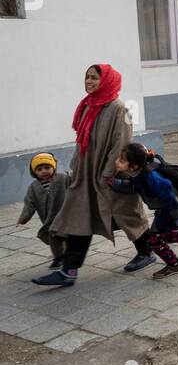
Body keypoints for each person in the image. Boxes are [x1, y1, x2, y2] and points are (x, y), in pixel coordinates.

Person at [32, 63, 153, 288]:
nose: (88, 81)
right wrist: (76, 167)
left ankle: (147, 251)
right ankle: (69, 271)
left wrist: (108, 174)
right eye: (87, 77)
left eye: (94, 78)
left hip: (110, 174)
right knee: (80, 216)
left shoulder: (121, 109)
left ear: (106, 80)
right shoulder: (87, 105)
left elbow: (122, 144)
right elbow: (82, 140)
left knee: (127, 215)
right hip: (86, 175)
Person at [108, 142, 178, 278]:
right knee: (162, 236)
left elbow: (167, 190)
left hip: (170, 212)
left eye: (121, 160)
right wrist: (116, 184)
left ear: (133, 166)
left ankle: (174, 265)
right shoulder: (139, 174)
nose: (117, 162)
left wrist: (177, 216)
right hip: (164, 211)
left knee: (154, 240)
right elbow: (134, 186)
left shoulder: (151, 177)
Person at [17, 152, 70, 269]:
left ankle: (69, 255)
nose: (44, 171)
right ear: (34, 172)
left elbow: (75, 186)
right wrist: (23, 218)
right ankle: (59, 257)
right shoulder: (33, 187)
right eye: (39, 169)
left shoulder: (63, 179)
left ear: (53, 167)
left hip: (65, 216)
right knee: (54, 238)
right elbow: (29, 204)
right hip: (49, 219)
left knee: (68, 236)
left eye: (47, 167)